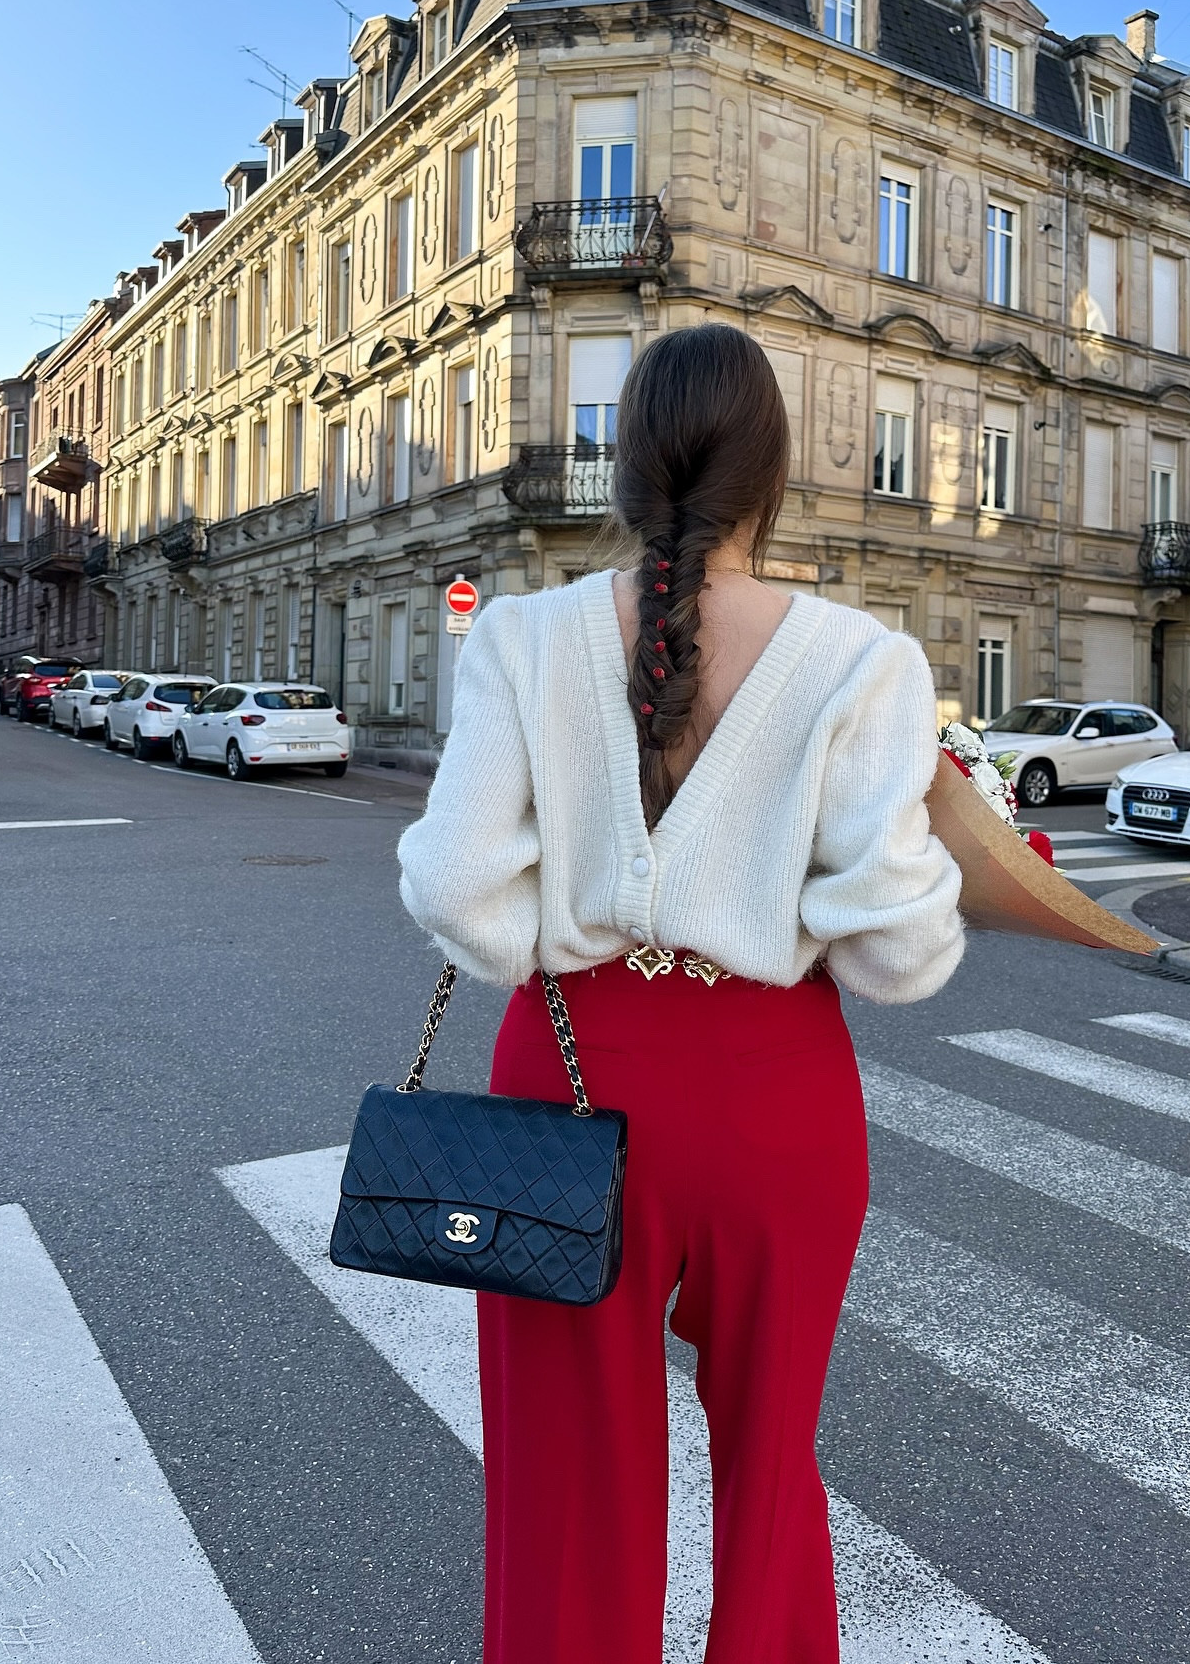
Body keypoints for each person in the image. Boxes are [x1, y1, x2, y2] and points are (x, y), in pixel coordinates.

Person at [397, 322, 964, 1664]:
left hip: (572, 1074)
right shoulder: (860, 660)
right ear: (771, 476)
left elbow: (460, 892)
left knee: (563, 1477)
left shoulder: (524, 640)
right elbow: (898, 957)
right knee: (770, 1463)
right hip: (776, 1097)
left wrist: (576, 912)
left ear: (623, 469)